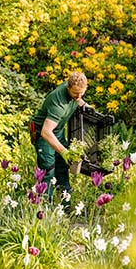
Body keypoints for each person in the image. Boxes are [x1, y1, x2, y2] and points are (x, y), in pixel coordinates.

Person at [31, 71, 89, 203]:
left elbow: (78, 98)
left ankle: (65, 204)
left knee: (63, 166)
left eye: (82, 93)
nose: (78, 96)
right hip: (43, 135)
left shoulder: (75, 87)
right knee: (48, 170)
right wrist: (63, 151)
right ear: (68, 87)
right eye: (75, 93)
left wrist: (86, 106)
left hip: (57, 132)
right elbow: (46, 132)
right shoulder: (58, 103)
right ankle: (45, 207)